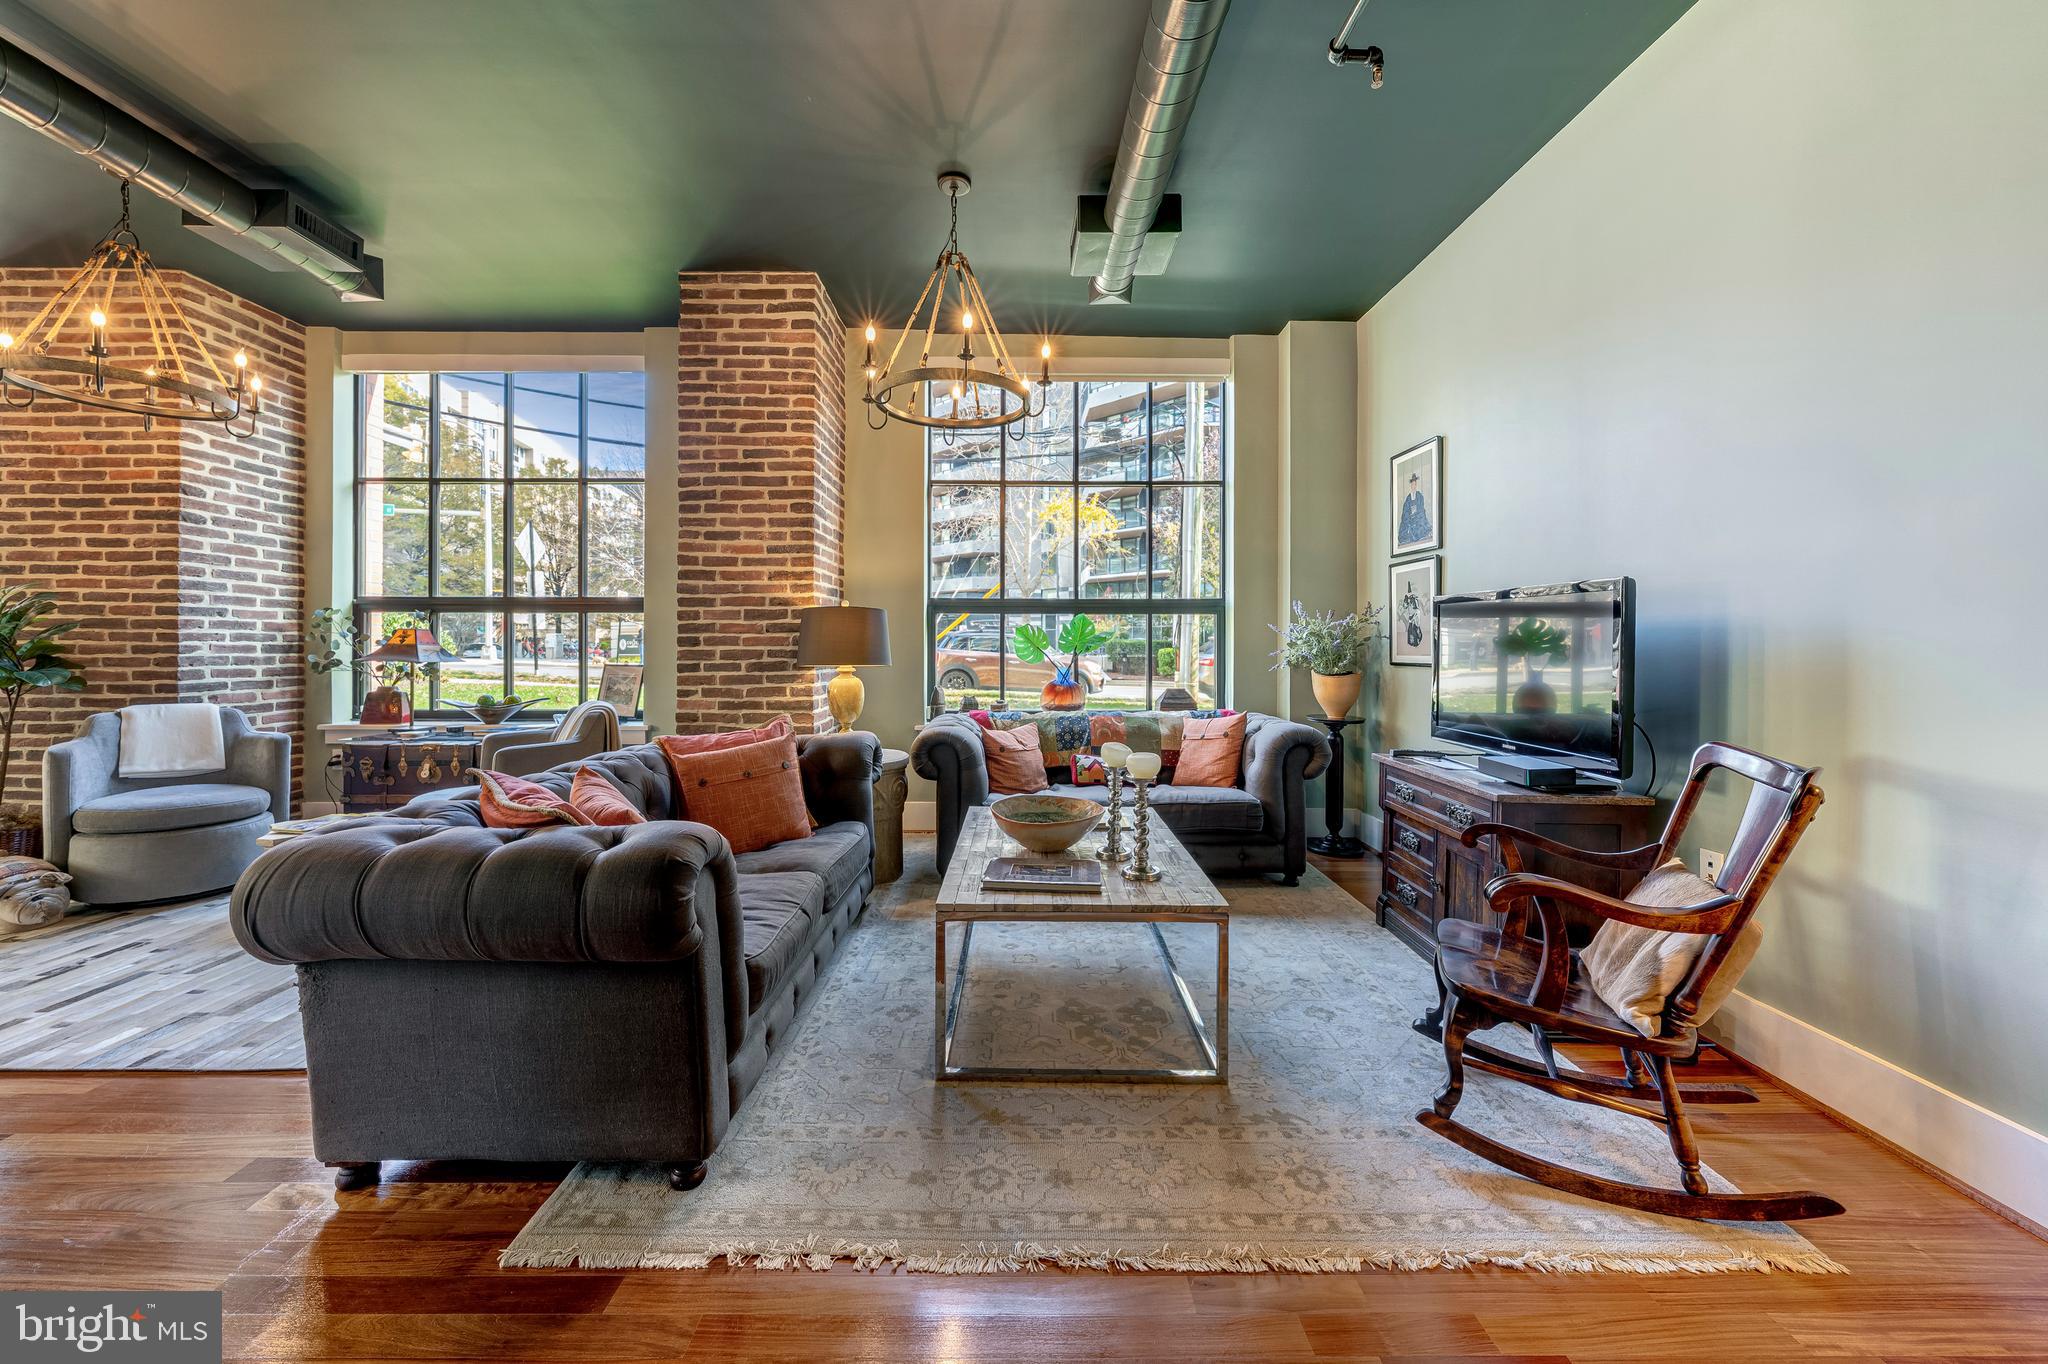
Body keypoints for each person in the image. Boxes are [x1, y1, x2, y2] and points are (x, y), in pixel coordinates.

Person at [1398, 468, 1433, 548]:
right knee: (1406, 528)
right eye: (1412, 484)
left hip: (1418, 517)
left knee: (1421, 524)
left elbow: (1421, 508)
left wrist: (1416, 514)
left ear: (1416, 485)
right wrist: (1410, 516)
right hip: (1410, 518)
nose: (1413, 486)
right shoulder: (1408, 498)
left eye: (1415, 484)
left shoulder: (1419, 496)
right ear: (1411, 485)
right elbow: (1405, 511)